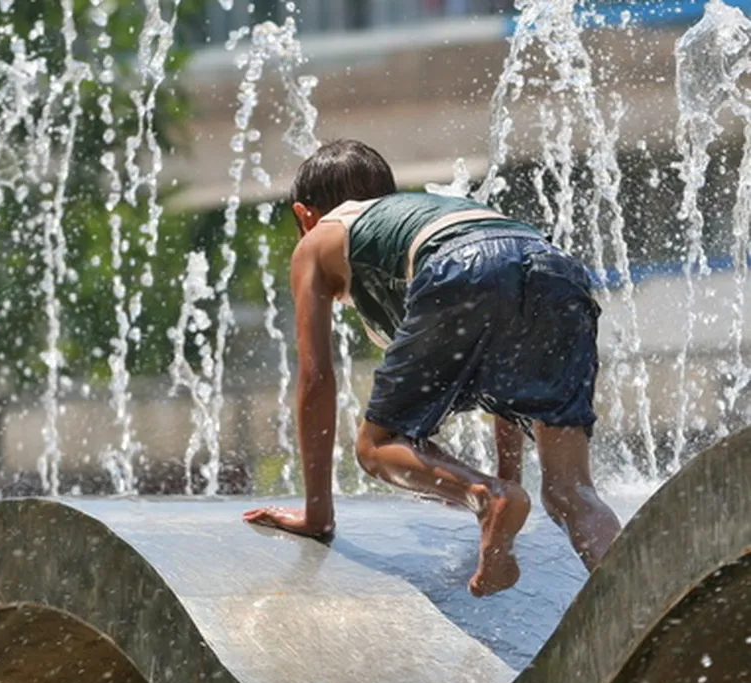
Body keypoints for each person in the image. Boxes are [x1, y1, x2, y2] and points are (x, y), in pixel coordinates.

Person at [243, 139, 623, 596]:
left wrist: (317, 515)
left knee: (376, 446)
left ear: (305, 216)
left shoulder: (321, 238)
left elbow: (316, 378)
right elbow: (505, 375)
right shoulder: (423, 215)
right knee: (571, 492)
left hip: (461, 267)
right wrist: (509, 474)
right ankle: (645, 612)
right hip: (556, 271)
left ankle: (484, 497)